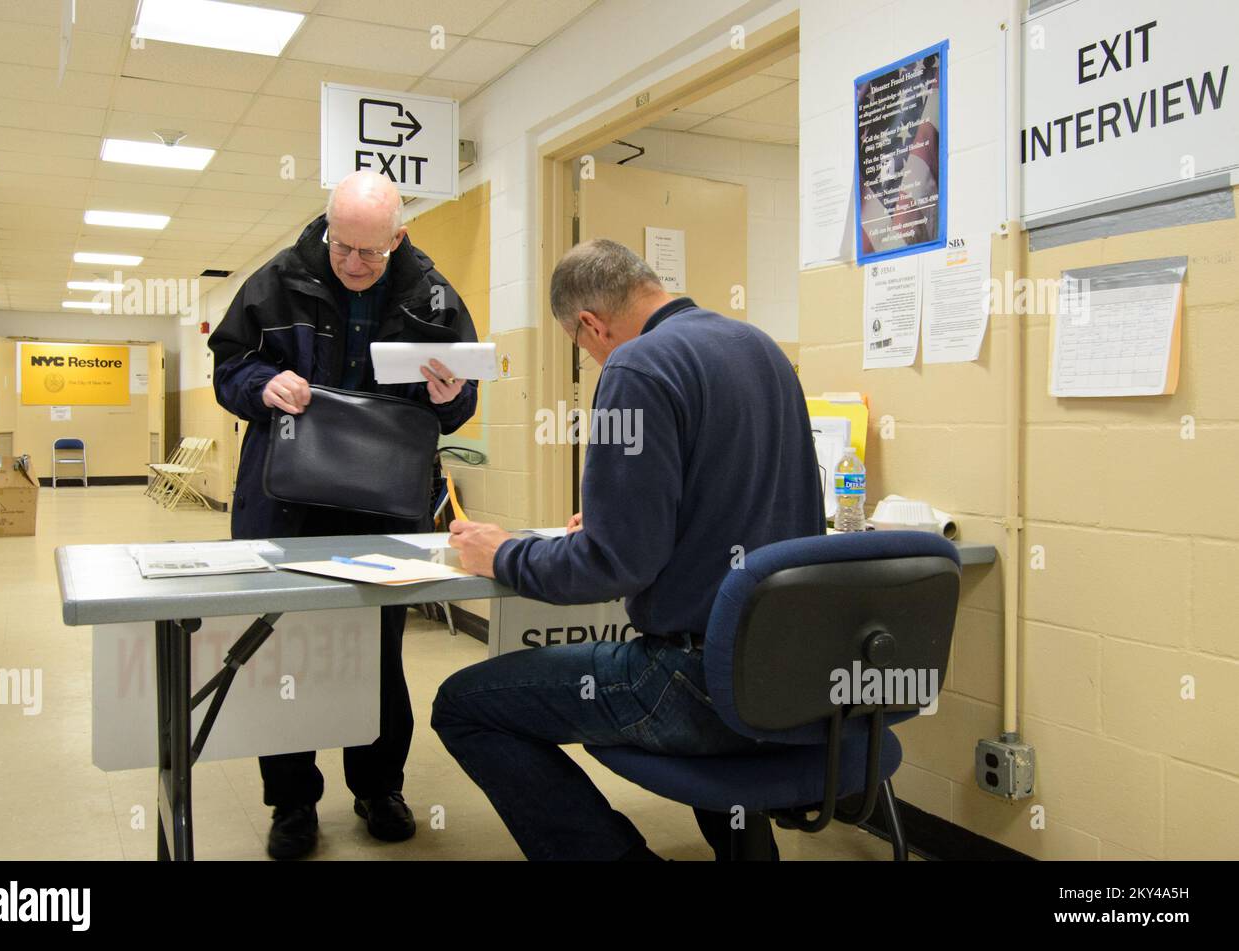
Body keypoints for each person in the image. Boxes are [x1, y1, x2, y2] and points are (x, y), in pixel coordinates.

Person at [434, 239, 824, 860]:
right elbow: (744, 502)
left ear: (590, 323)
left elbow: (612, 567)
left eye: (583, 349)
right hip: (783, 672)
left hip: (691, 682)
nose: (592, 360)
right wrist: (628, 511)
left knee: (463, 704)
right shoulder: (761, 348)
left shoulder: (637, 367)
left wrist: (501, 553)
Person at [209, 171, 478, 860]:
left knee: (377, 654)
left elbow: (457, 402)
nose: (354, 263)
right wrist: (262, 383)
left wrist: (450, 395)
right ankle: (292, 801)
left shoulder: (432, 294)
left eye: (371, 252)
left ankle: (378, 787)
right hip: (286, 501)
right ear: (327, 227)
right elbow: (229, 366)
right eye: (341, 246)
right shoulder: (276, 281)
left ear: (399, 236)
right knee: (283, 653)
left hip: (384, 506)